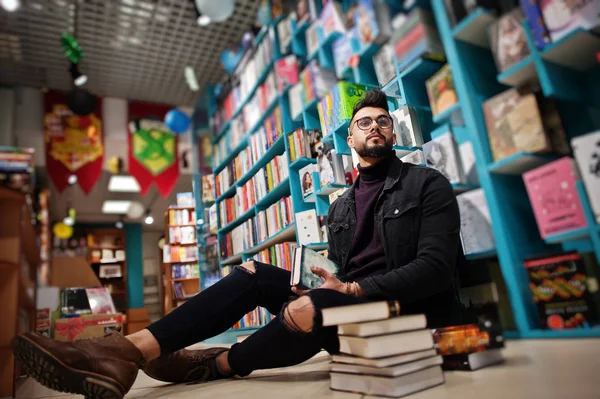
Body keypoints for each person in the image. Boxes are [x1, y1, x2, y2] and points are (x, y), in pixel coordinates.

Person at [12, 89, 464, 399]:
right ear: (349, 140)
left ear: (393, 131)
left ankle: (216, 364)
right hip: (346, 305)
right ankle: (127, 352)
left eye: (383, 121)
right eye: (364, 122)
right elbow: (342, 273)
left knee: (310, 308)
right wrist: (332, 287)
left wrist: (351, 292)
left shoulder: (426, 184)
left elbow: (438, 268)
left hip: (398, 316)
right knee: (253, 274)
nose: (375, 128)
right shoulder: (341, 206)